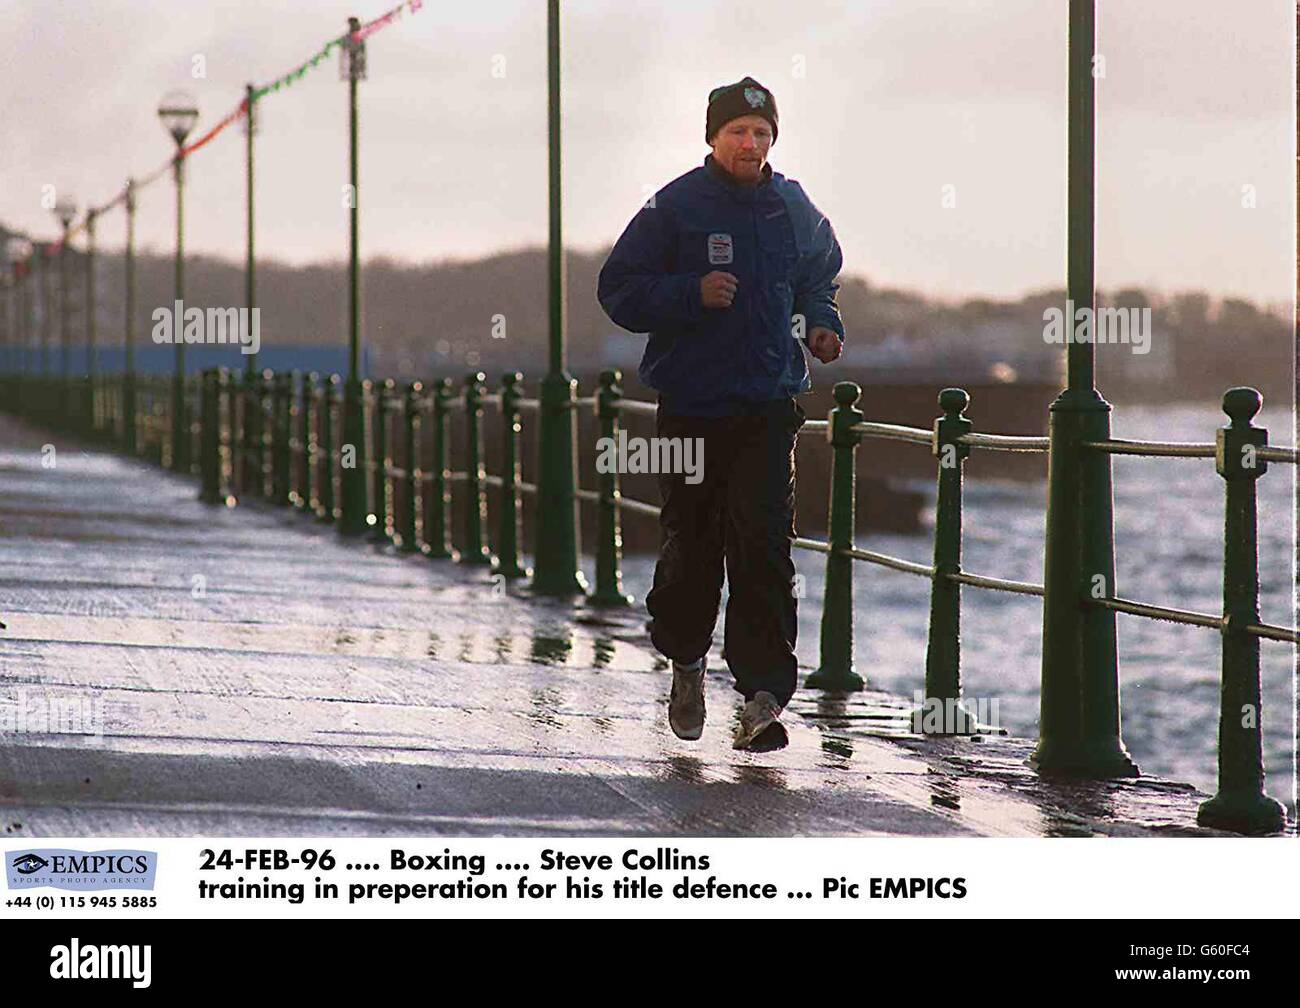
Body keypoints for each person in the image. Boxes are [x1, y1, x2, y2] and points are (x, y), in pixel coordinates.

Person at [597, 75, 845, 752]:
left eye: (762, 134)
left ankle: (762, 697)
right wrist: (688, 292)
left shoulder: (792, 207)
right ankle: (685, 660)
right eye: (738, 132)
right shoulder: (674, 207)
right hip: (691, 408)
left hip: (768, 407)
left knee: (764, 548)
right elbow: (617, 288)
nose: (750, 144)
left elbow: (819, 277)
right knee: (692, 546)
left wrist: (821, 324)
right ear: (713, 137)